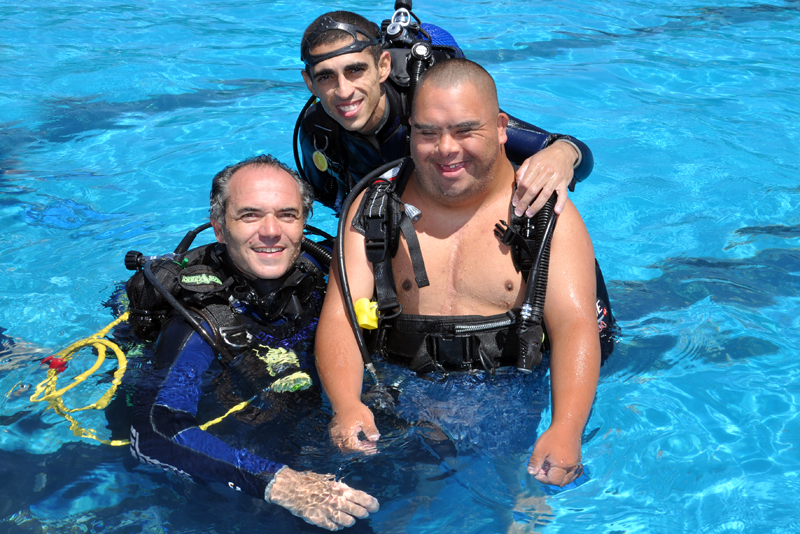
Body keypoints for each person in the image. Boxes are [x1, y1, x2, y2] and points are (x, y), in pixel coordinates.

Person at [315, 59, 609, 488]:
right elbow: (342, 315)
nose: (446, 148)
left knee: (517, 510)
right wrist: (345, 404)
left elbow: (574, 326)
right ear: (411, 130)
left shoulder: (545, 214)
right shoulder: (374, 207)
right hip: (400, 399)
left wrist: (565, 428)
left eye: (465, 130)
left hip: (511, 398)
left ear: (501, 126)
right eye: (428, 133)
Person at [127, 155, 379, 531]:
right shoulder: (197, 322)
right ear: (219, 228)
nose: (271, 231)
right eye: (249, 215)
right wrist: (277, 481)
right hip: (235, 458)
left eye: (287, 215)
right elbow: (155, 430)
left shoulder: (325, 282)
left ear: (303, 223)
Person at [297, 9, 594, 218]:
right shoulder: (317, 132)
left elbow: (570, 149)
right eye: (325, 77)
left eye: (355, 70)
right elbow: (330, 203)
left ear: (383, 67)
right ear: (309, 82)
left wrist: (562, 154)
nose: (344, 91)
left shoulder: (430, 103)